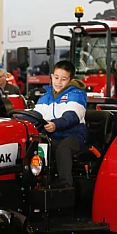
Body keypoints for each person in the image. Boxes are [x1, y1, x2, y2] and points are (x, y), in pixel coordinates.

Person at [34, 60, 88, 188]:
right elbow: (36, 114)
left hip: (74, 135)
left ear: (70, 80)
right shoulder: (45, 97)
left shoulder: (77, 95)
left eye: (63, 79)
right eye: (56, 77)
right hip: (53, 135)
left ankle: (66, 186)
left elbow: (72, 116)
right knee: (36, 146)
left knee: (63, 149)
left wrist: (55, 124)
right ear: (52, 76)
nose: (58, 82)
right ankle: (40, 182)